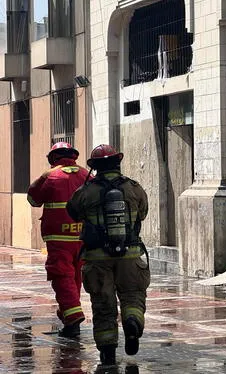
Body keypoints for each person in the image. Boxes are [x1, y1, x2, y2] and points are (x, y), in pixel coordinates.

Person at [66, 144, 150, 366]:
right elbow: (143, 213)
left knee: (103, 305)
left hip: (97, 258)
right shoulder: (134, 188)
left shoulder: (85, 192)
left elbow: (73, 212)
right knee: (133, 297)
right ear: (117, 163)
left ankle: (107, 353)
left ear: (95, 167)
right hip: (130, 256)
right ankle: (132, 322)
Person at [27, 142, 90, 338]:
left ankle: (74, 314)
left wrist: (42, 177)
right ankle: (69, 318)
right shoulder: (86, 175)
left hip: (59, 239)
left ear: (53, 158)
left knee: (61, 276)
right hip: (83, 237)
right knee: (75, 278)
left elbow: (33, 199)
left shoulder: (51, 176)